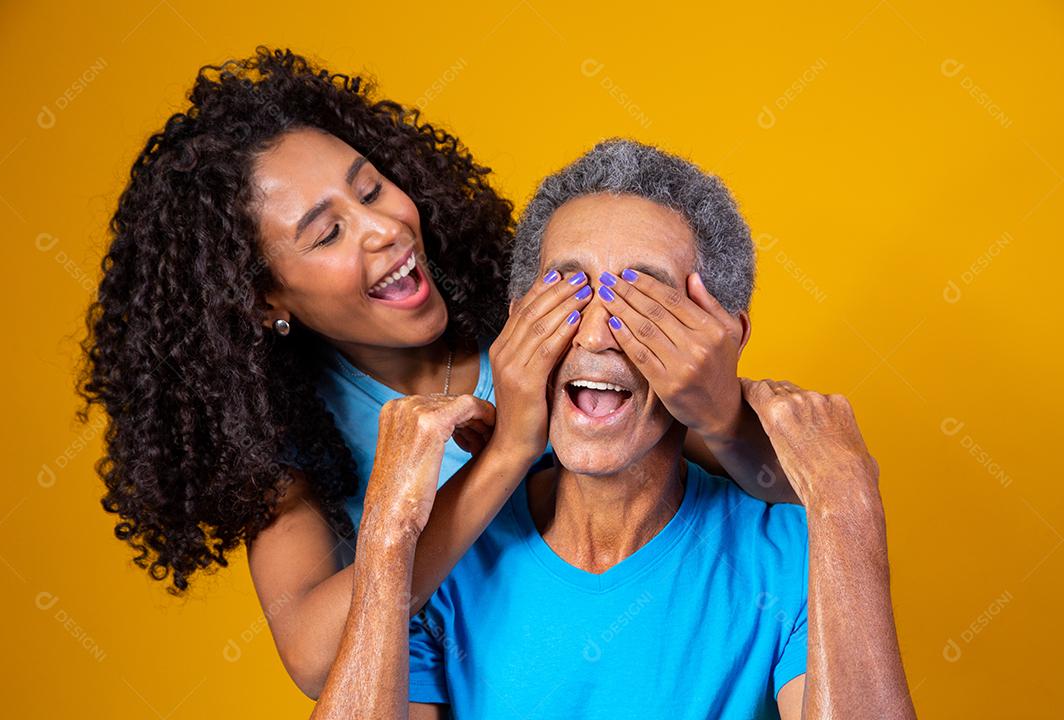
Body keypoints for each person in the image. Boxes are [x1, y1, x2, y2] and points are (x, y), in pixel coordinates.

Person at [79, 49, 799, 700]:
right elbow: (314, 660)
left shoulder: (530, 321)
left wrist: (718, 413)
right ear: (264, 299)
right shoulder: (284, 433)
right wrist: (511, 449)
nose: (383, 228)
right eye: (327, 233)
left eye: (371, 188)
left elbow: (786, 487)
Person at [311, 140, 916, 719]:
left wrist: (847, 503)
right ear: (518, 321)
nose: (596, 334)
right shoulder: (447, 564)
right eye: (565, 294)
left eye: (642, 303)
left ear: (723, 338)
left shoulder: (789, 556)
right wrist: (388, 544)